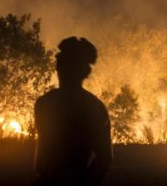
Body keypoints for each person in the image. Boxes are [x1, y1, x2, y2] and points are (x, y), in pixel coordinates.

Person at [33, 37, 113, 186]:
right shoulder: (95, 107)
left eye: (62, 62)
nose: (59, 66)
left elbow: (48, 152)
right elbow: (105, 158)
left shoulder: (45, 103)